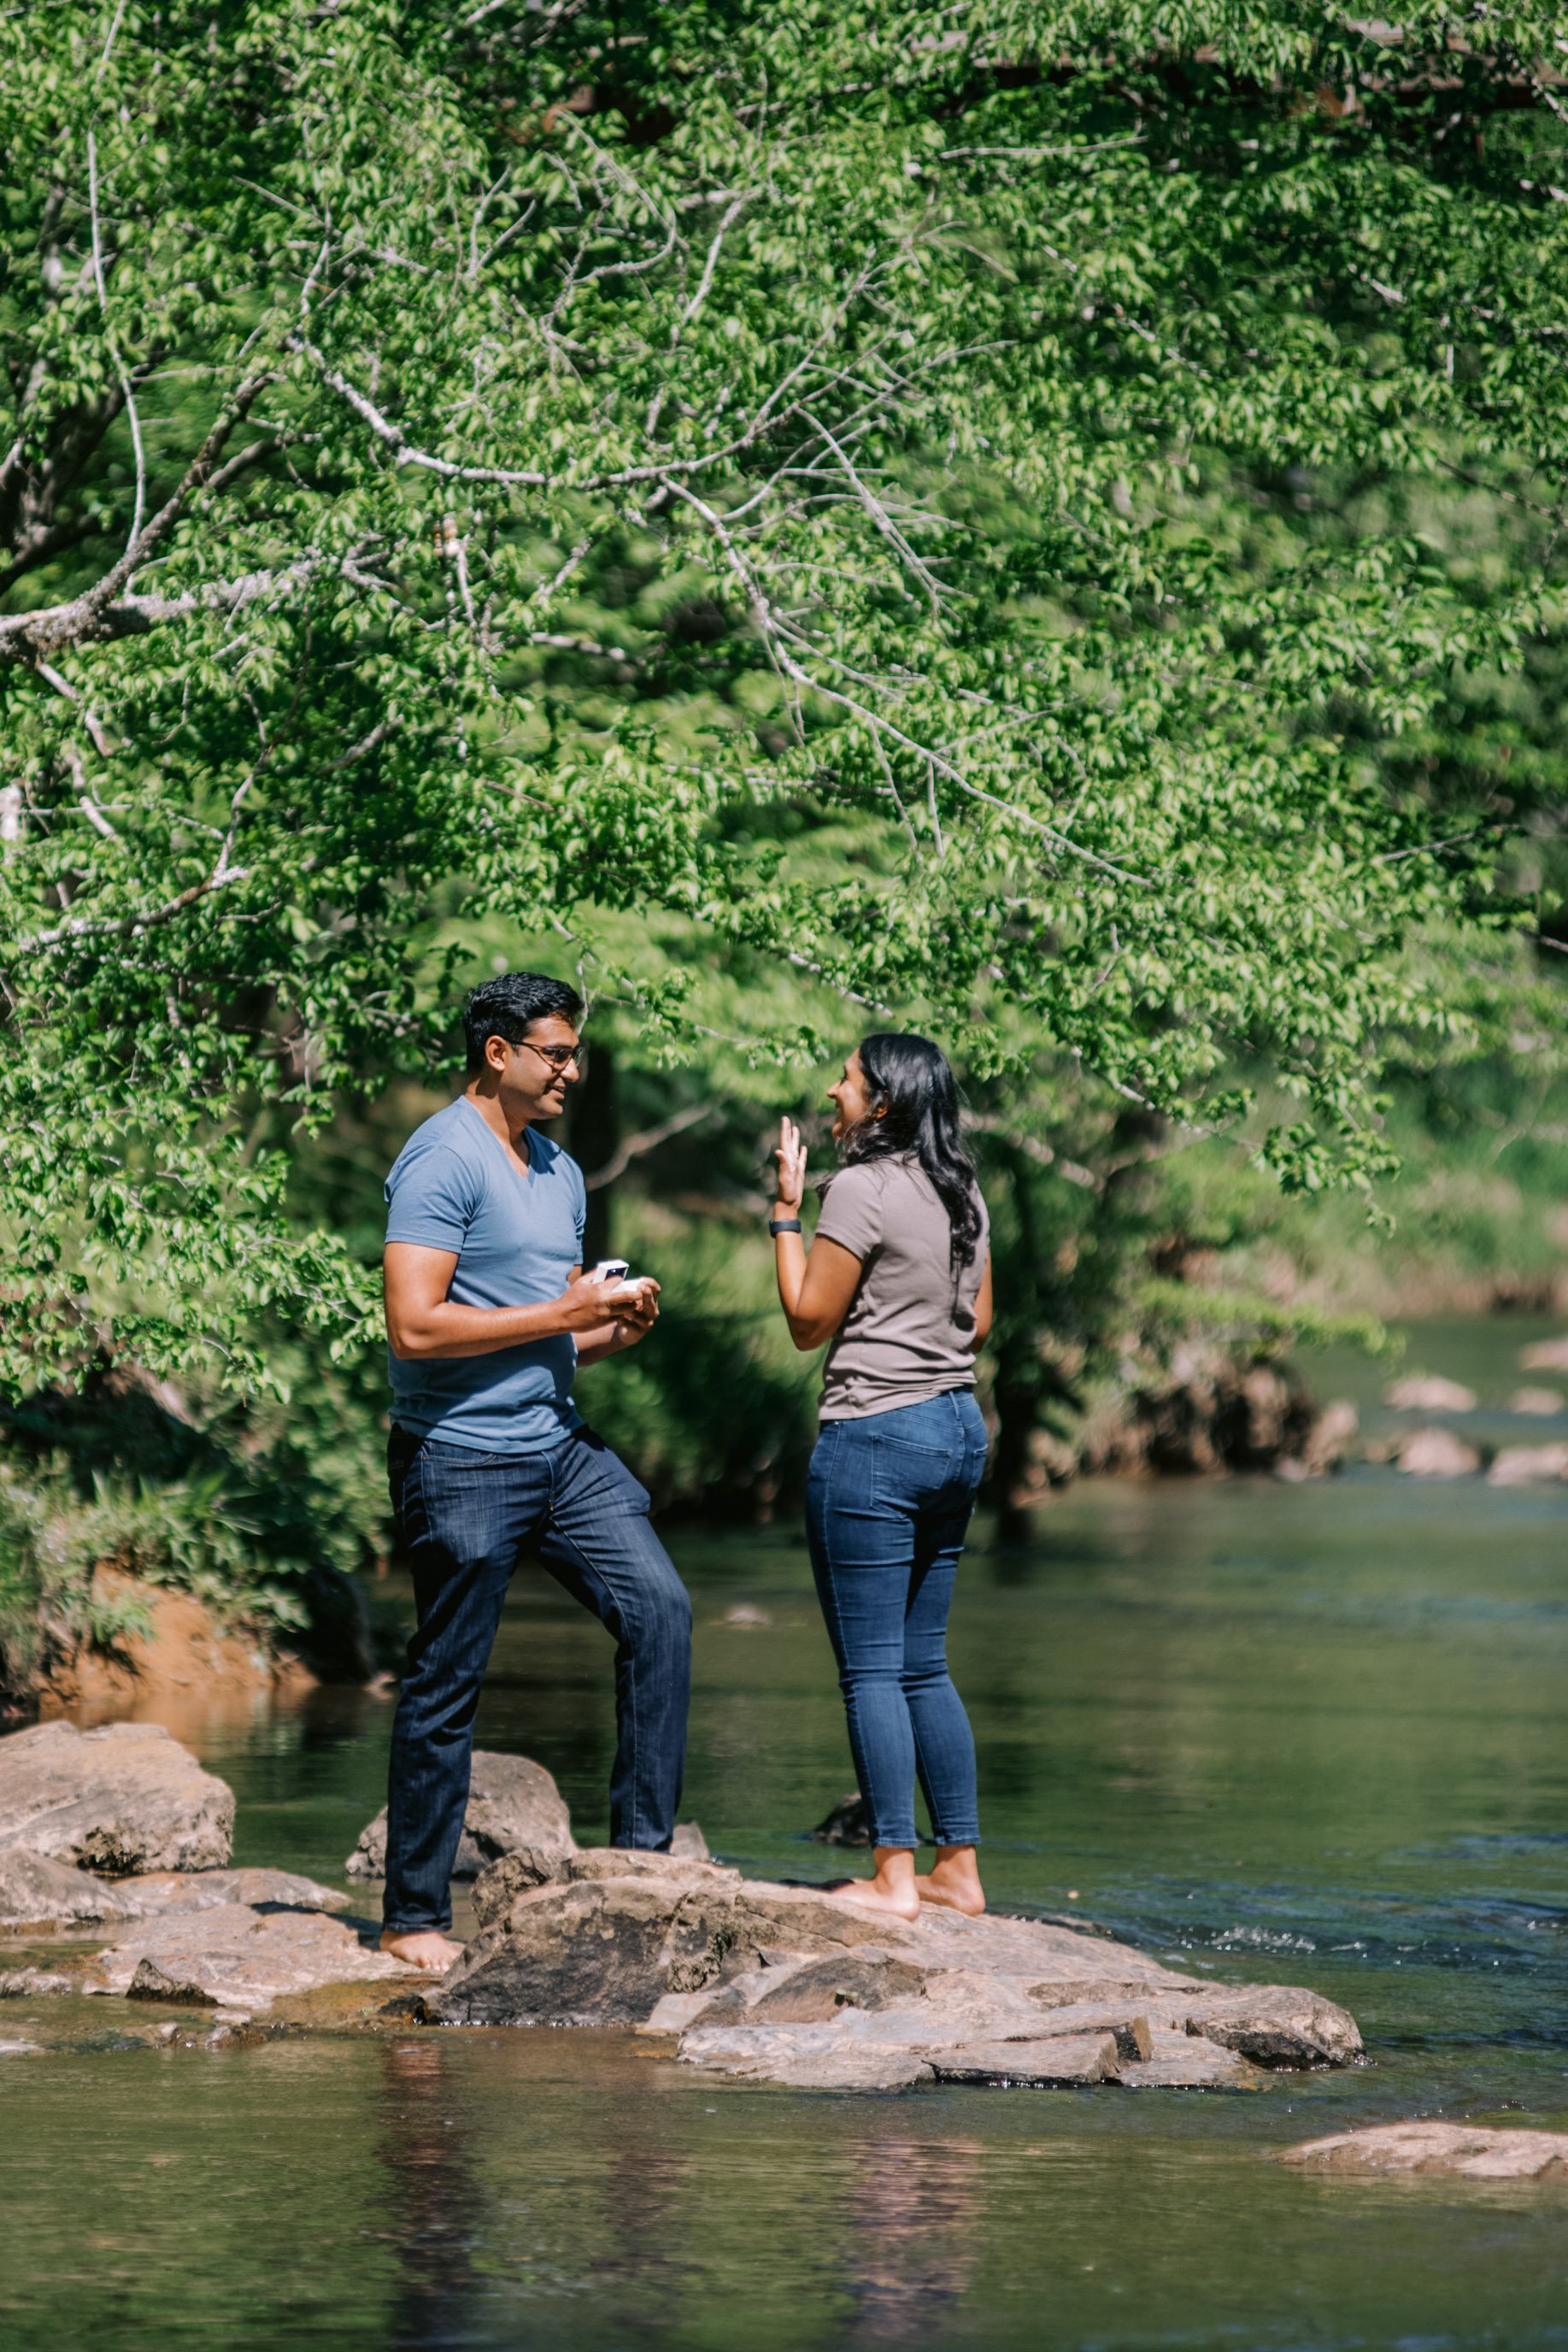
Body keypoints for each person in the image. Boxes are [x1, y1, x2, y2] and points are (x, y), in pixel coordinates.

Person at [378, 971, 692, 1971]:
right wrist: (563, 1315)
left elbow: (550, 1339)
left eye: (574, 1052)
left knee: (660, 1609)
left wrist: (610, 1328)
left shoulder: (559, 1170)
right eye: (553, 1051)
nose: (571, 1069)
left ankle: (640, 1861)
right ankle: (414, 1916)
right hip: (460, 1454)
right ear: (496, 1052)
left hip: (554, 1445)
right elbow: (415, 1325)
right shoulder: (439, 1158)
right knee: (446, 1679)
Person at [771, 1033, 993, 1921]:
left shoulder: (858, 1188)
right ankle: (959, 1873)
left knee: (868, 1670)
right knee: (921, 1664)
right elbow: (974, 1325)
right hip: (955, 1430)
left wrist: (785, 1215)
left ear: (884, 1103)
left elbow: (803, 1320)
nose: (832, 1090)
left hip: (874, 1436)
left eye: (847, 1081)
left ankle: (893, 1877)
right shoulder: (960, 1186)